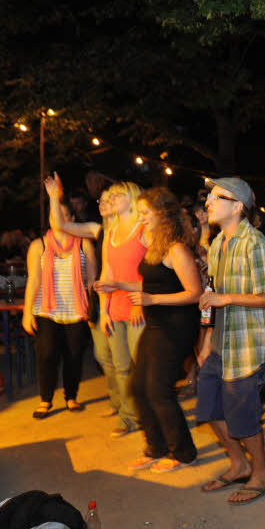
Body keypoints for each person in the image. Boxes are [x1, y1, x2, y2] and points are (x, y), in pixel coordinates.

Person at [100, 188, 202, 473]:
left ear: (163, 214)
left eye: (146, 213)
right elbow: (153, 285)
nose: (141, 217)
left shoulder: (176, 249)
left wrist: (152, 300)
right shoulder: (155, 245)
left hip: (177, 326)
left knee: (158, 390)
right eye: (140, 212)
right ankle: (155, 448)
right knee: (136, 387)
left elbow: (195, 292)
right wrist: (119, 285)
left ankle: (184, 453)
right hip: (157, 323)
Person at [196, 178, 265, 504]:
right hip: (221, 342)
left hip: (249, 345)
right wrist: (206, 341)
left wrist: (226, 298)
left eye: (218, 197)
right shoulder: (218, 243)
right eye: (209, 196)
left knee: (243, 415)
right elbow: (212, 297)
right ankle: (239, 464)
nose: (208, 201)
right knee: (208, 405)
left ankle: (262, 476)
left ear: (238, 207)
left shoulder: (256, 245)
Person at [44, 174, 119, 418]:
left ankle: (130, 410)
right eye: (102, 201)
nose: (103, 204)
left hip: (128, 298)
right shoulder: (97, 230)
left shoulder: (134, 231)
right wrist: (55, 198)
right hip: (104, 300)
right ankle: (120, 403)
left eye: (109, 200)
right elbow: (60, 225)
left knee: (125, 361)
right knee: (103, 356)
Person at [22, 201, 97, 418]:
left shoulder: (84, 244)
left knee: (74, 355)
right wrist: (27, 312)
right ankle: (45, 400)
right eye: (56, 215)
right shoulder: (39, 245)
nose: (59, 219)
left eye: (64, 215)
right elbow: (33, 279)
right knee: (46, 354)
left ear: (72, 219)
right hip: (46, 310)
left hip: (77, 310)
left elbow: (92, 279)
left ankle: (71, 396)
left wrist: (94, 308)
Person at [97, 181, 147, 437]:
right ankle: (129, 417)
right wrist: (103, 310)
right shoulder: (111, 232)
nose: (113, 198)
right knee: (120, 365)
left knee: (141, 364)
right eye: (111, 195)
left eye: (119, 195)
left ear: (133, 198)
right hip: (115, 305)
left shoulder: (144, 229)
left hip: (138, 306)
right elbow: (108, 272)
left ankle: (147, 413)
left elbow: (152, 271)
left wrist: (141, 297)